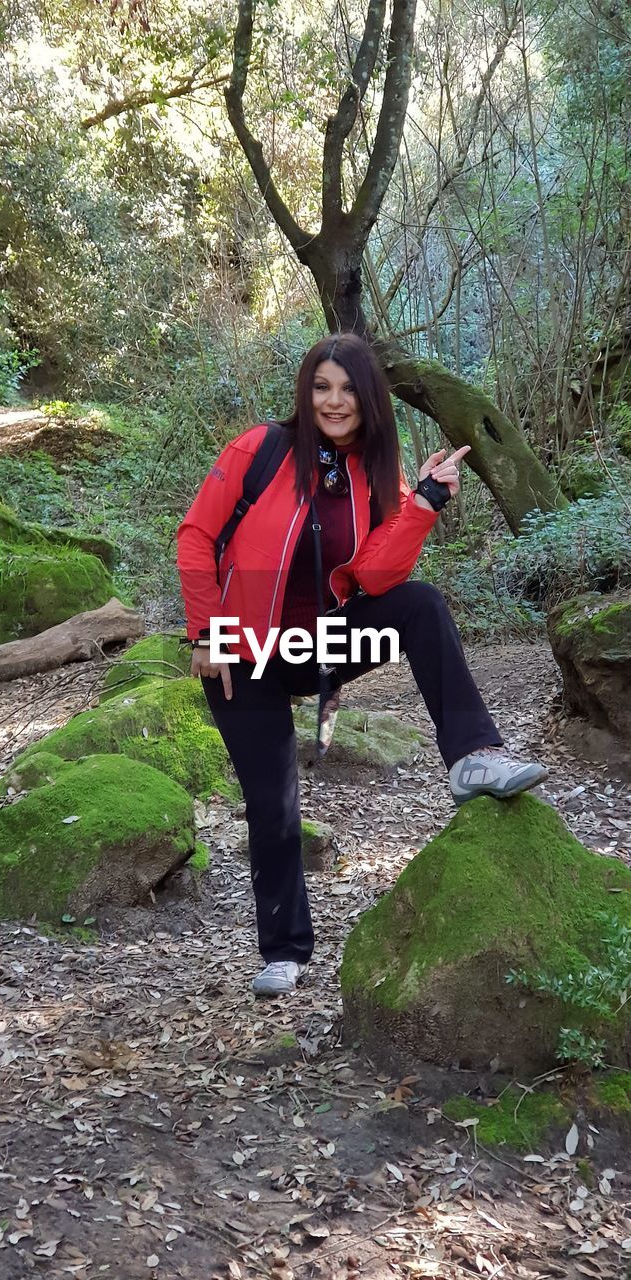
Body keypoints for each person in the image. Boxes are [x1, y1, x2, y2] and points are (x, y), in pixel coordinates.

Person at [177, 334, 547, 997]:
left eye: (348, 388)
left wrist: (423, 505)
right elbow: (196, 537)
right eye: (322, 386)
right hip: (244, 652)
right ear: (306, 392)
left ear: (368, 396)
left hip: (319, 647)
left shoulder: (378, 471)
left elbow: (375, 574)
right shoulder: (258, 450)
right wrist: (207, 632)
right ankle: (284, 952)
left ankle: (471, 755)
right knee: (273, 803)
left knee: (420, 606)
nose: (334, 400)